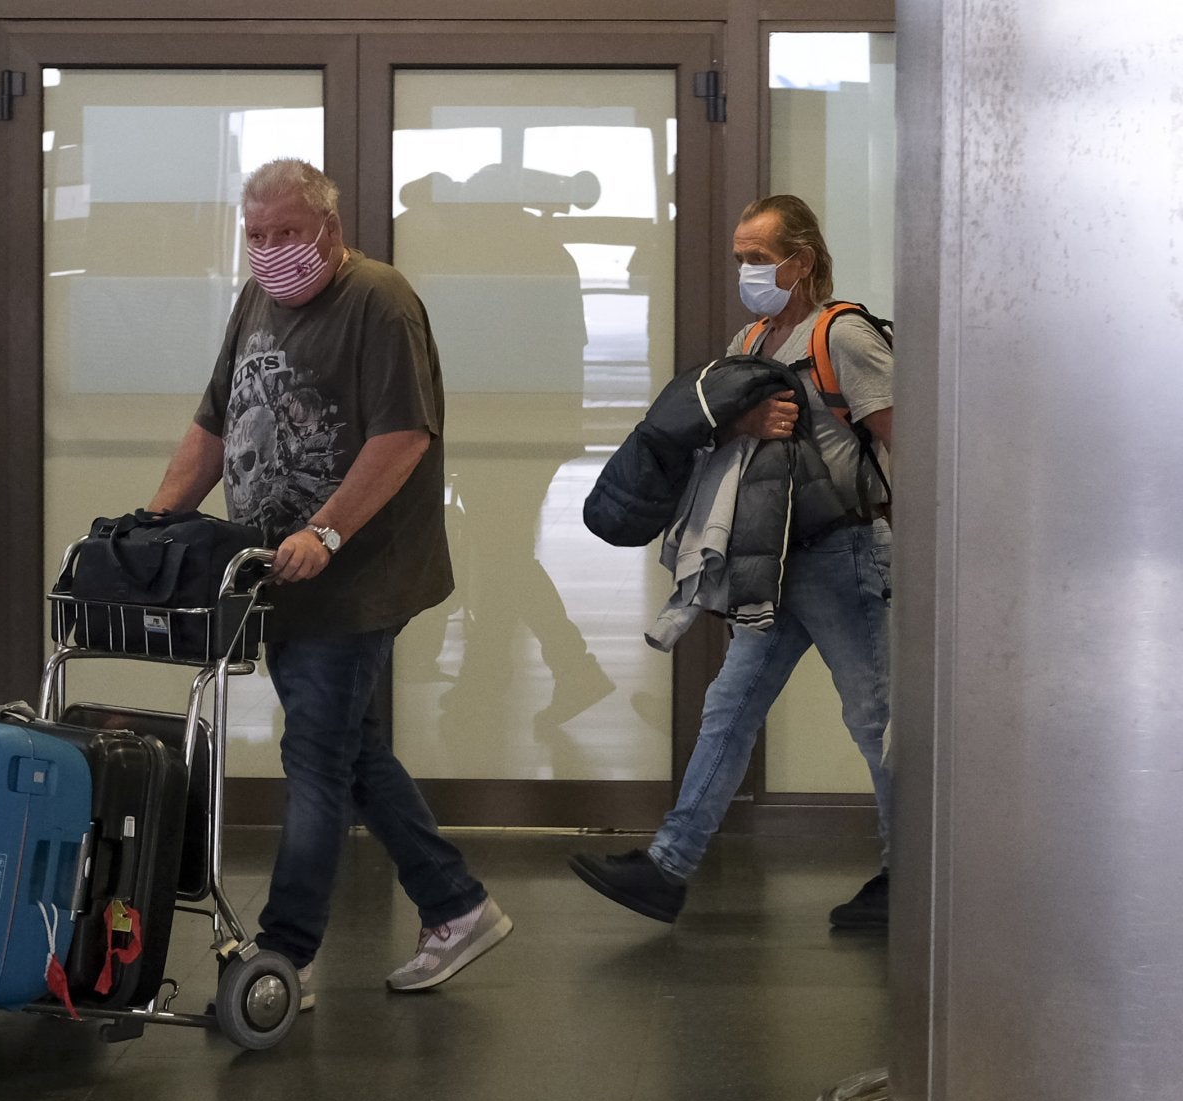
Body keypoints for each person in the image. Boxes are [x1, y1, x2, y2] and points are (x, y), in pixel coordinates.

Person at [148, 159, 513, 1005]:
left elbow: (404, 433)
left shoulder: (380, 302)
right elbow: (214, 420)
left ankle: (287, 953)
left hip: (355, 579)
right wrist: (157, 524)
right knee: (353, 754)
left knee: (314, 755)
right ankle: (457, 904)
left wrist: (327, 528)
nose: (272, 251)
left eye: (287, 233)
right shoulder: (256, 303)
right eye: (257, 235)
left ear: (331, 231)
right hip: (280, 576)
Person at [568, 195, 894, 929]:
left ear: (800, 261)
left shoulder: (842, 335)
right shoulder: (751, 336)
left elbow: (904, 440)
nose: (747, 269)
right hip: (772, 561)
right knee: (729, 707)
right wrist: (742, 419)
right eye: (741, 257)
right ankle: (668, 866)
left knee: (877, 716)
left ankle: (912, 875)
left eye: (759, 256)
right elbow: (726, 432)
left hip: (845, 555)